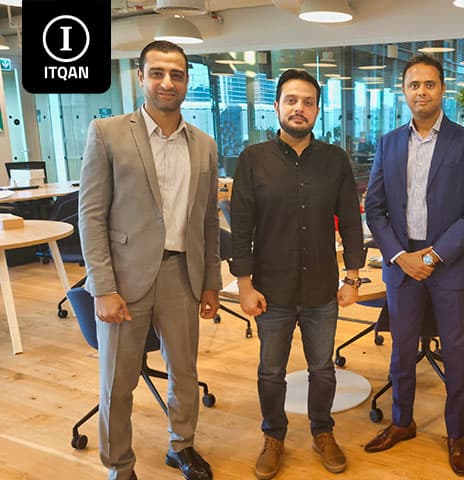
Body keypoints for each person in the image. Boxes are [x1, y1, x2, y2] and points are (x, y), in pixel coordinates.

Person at [79, 40, 222, 480]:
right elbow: (91, 215)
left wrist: (211, 281)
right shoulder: (107, 133)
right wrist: (103, 287)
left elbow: (207, 221)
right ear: (140, 76)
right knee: (118, 382)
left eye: (177, 74)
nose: (167, 82)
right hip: (124, 280)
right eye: (157, 73)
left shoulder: (204, 145)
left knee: (185, 372)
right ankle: (120, 466)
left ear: (187, 81)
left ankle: (182, 446)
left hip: (183, 275)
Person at [229, 69, 364, 480]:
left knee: (322, 368)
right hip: (271, 290)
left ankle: (323, 432)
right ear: (276, 107)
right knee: (271, 371)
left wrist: (352, 277)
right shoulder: (253, 160)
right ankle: (273, 436)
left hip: (322, 287)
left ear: (317, 110)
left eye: (307, 102)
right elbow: (241, 227)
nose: (299, 108)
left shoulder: (334, 160)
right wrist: (245, 285)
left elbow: (350, 222)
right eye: (291, 100)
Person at [363, 54, 464, 476]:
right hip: (402, 263)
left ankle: (455, 432)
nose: (422, 91)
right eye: (414, 85)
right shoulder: (388, 143)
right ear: (403, 91)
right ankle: (403, 421)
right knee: (401, 350)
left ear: (442, 90)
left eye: (429, 84)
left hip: (448, 263)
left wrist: (433, 256)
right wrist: (401, 256)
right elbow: (375, 208)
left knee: (455, 351)